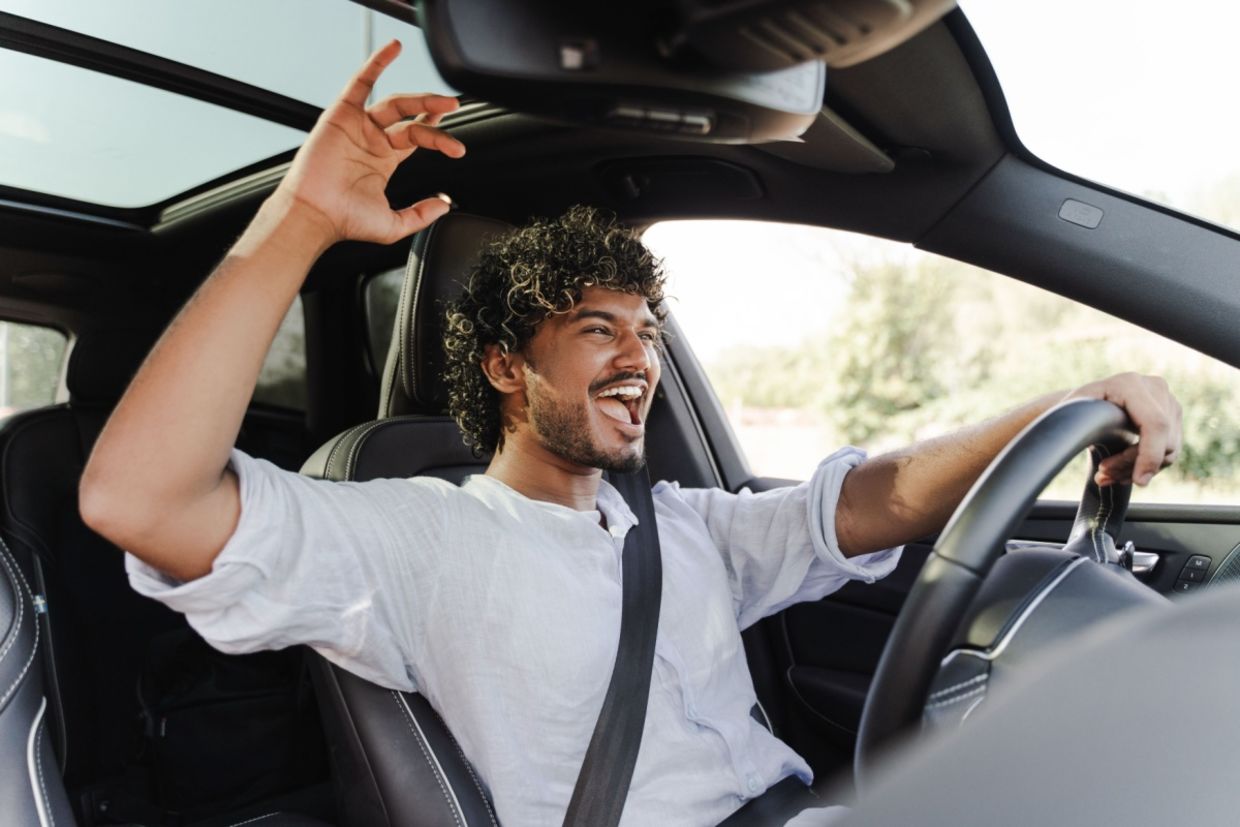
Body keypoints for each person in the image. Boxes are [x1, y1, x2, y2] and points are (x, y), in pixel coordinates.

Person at [79, 41, 1183, 825]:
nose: (639, 361)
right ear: (506, 365)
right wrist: (303, 217)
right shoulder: (411, 536)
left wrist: (1060, 404)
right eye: (596, 329)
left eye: (647, 332)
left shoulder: (679, 524)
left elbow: (866, 501)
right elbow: (142, 501)